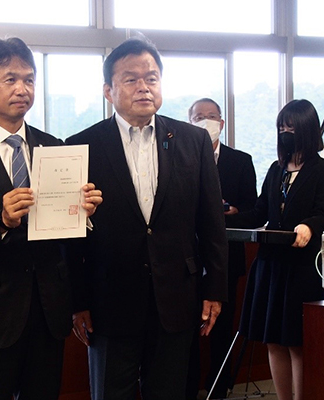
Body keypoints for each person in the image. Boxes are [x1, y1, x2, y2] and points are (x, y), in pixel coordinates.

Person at [0, 37, 102, 400]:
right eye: (10, 79)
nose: (22, 89)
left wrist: (82, 213)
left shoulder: (54, 147)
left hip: (48, 307)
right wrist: (0, 220)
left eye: (29, 80)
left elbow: (65, 235)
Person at [65, 37, 228, 400]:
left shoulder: (193, 141)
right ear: (108, 90)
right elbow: (72, 237)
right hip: (109, 303)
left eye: (151, 78)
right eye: (131, 79)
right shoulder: (81, 146)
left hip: (177, 299)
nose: (144, 87)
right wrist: (78, 301)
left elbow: (211, 224)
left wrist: (214, 289)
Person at [227, 99, 324, 400]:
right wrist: (221, 219)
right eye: (281, 128)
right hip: (269, 266)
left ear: (307, 129)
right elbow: (259, 213)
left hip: (301, 268)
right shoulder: (275, 169)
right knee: (273, 340)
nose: (285, 134)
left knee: (297, 343)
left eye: (291, 128)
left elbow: (321, 212)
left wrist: (309, 226)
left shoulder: (321, 170)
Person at [186, 98, 257, 399]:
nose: (206, 121)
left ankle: (219, 388)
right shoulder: (178, 157)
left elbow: (255, 212)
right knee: (186, 331)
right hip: (186, 260)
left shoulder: (241, 161)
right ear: (189, 123)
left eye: (211, 116)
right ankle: (187, 389)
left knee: (222, 328)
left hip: (226, 258)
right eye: (198, 117)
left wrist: (225, 216)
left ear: (222, 123)